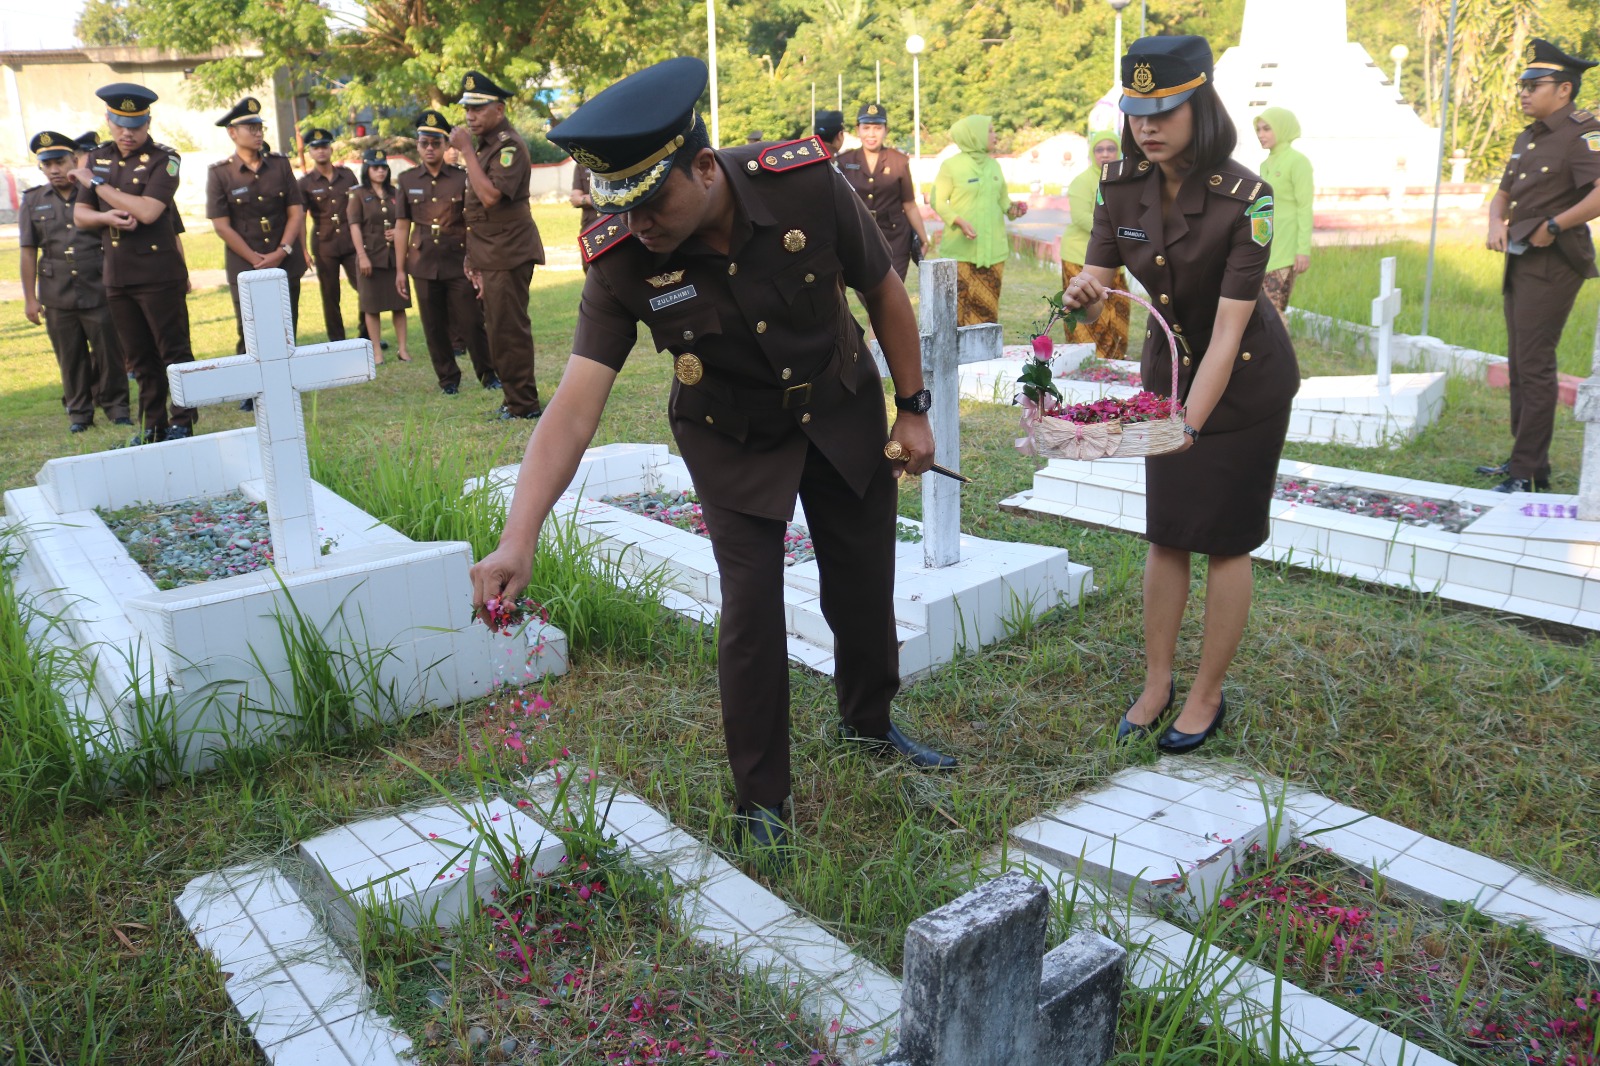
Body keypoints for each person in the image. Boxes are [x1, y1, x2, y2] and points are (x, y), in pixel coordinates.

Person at [472, 56, 956, 860]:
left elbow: (882, 290)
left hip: (837, 405)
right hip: (731, 438)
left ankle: (869, 723)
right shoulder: (623, 255)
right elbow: (574, 406)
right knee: (752, 610)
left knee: (864, 578)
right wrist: (519, 536)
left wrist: (912, 410)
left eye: (652, 200)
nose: (640, 223)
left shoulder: (806, 183)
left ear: (702, 166)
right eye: (620, 205)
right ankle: (762, 797)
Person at [1061, 35, 1300, 754]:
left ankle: (1207, 692)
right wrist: (1081, 291)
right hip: (1168, 378)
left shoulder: (1248, 199)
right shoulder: (1118, 187)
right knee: (1166, 535)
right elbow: (1095, 286)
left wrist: (1190, 422)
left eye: (1165, 109)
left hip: (1244, 385)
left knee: (1225, 542)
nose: (1147, 126)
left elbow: (1229, 331)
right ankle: (1158, 681)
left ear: (1200, 104)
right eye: (1137, 111)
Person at [1477, 39, 1600, 494]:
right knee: (1520, 362)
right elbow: (1504, 193)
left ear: (1564, 89)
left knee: (1534, 365)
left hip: (1554, 260)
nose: (1523, 92)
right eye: (1521, 84)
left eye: (1534, 84)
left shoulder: (1583, 133)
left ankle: (1526, 472)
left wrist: (1555, 223)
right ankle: (1526, 462)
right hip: (1520, 258)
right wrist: (1495, 220)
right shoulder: (1528, 136)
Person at [72, 82, 196, 444]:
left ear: (148, 123)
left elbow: (147, 210)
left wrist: (96, 185)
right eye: (120, 124)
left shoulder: (164, 159)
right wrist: (107, 218)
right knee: (139, 357)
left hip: (158, 273)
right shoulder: (96, 157)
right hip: (117, 273)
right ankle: (153, 424)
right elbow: (80, 215)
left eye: (136, 125)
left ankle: (184, 420)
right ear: (108, 121)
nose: (128, 133)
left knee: (173, 351)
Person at [448, 70, 547, 420]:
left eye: (477, 109)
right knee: (498, 330)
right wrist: (472, 258)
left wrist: (465, 154)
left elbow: (490, 197)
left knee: (509, 330)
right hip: (491, 254)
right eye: (467, 110)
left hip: (509, 254)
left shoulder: (509, 147)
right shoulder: (488, 147)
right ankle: (513, 398)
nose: (469, 117)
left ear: (500, 110)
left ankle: (524, 405)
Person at [19, 130, 131, 434]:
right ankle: (79, 413)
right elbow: (28, 252)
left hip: (98, 282)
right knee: (70, 356)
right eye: (47, 164)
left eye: (59, 162)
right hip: (56, 292)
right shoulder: (33, 201)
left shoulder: (95, 194)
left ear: (74, 159)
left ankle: (117, 407)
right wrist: (30, 297)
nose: (54, 170)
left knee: (109, 350)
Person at [395, 109, 493, 393]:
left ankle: (488, 374)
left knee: (472, 321)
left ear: (445, 146)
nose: (429, 148)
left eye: (435, 143)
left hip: (458, 260)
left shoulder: (460, 177)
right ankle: (448, 379)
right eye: (424, 142)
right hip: (423, 262)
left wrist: (477, 261)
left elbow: (473, 221)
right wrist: (400, 270)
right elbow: (402, 226)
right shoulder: (407, 180)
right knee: (434, 326)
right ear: (417, 145)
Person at [206, 97, 306, 359]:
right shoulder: (220, 173)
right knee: (249, 329)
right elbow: (221, 226)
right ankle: (251, 395)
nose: (258, 133)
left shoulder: (280, 164)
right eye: (251, 128)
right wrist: (256, 259)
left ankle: (287, 387)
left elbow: (295, 211)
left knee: (287, 325)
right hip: (245, 263)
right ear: (232, 133)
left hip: (284, 258)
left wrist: (282, 251)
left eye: (260, 127)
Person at [933, 115, 1027, 325]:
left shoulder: (995, 166)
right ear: (974, 135)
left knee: (986, 314)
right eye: (990, 131)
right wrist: (958, 220)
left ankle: (983, 358)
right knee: (954, 315)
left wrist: (1015, 209)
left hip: (993, 254)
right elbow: (937, 201)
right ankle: (954, 358)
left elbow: (1004, 203)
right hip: (960, 253)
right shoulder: (951, 166)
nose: (995, 135)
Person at [834, 103, 930, 280]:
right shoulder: (844, 161)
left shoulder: (898, 160)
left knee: (893, 290)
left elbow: (908, 204)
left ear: (886, 130)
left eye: (877, 128)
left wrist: (923, 239)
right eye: (866, 128)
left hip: (895, 237)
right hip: (860, 235)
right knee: (867, 292)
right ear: (858, 130)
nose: (871, 134)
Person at [1060, 130, 1130, 358]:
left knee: (1116, 314)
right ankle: (1084, 364)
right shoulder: (1083, 181)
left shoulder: (1124, 181)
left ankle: (1113, 363)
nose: (1106, 154)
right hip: (1080, 258)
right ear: (1092, 153)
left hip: (1113, 261)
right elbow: (1080, 217)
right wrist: (1118, 232)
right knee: (1085, 314)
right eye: (1099, 150)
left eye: (1111, 149)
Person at [297, 127, 366, 344]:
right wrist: (304, 251)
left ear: (331, 149)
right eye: (316, 148)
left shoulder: (347, 176)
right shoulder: (305, 183)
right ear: (310, 152)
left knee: (365, 288)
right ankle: (337, 340)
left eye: (324, 147)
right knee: (330, 294)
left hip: (350, 240)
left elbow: (361, 206)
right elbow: (300, 218)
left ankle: (367, 333)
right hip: (324, 242)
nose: (321, 152)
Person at [348, 149, 411, 363]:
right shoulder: (357, 194)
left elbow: (404, 221)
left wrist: (398, 232)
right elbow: (354, 227)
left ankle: (402, 349)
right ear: (367, 169)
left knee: (399, 304)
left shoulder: (395, 193)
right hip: (370, 256)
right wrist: (362, 255)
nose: (380, 171)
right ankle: (376, 352)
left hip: (394, 256)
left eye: (383, 167)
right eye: (375, 167)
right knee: (371, 306)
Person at [1253, 107, 1313, 317]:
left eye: (1267, 129)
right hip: (1265, 246)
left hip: (1286, 249)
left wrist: (1303, 249)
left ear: (1282, 128)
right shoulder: (1265, 165)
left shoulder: (1298, 162)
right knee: (1258, 311)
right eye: (1258, 129)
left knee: (1273, 311)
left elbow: (1305, 207)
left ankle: (1280, 350)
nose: (1261, 135)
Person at [570, 161, 599, 273]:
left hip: (611, 223)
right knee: (589, 268)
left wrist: (585, 199)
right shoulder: (581, 165)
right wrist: (597, 199)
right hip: (589, 225)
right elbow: (574, 199)